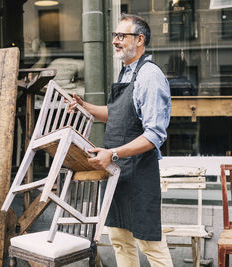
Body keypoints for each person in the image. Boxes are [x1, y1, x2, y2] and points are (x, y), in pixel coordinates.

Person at [69, 14, 173, 267]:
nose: (115, 41)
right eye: (114, 36)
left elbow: (154, 135)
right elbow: (117, 114)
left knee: (150, 245)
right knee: (119, 239)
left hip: (138, 172)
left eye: (121, 36)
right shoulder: (126, 73)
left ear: (139, 40)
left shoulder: (150, 76)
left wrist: (112, 153)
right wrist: (87, 107)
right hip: (117, 172)